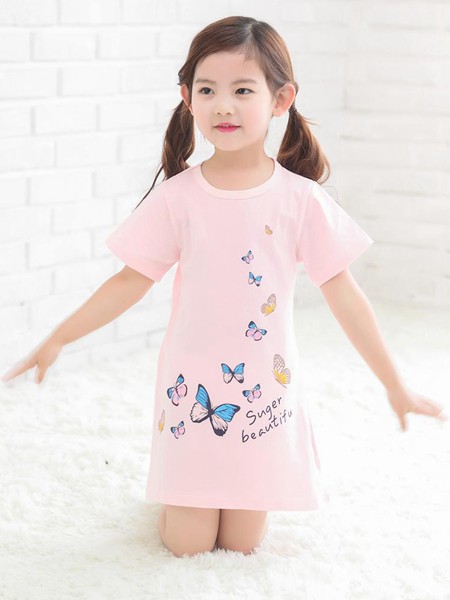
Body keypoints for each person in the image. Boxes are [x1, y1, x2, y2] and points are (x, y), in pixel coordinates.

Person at [1, 16, 447, 559]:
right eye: (208, 90)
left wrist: (395, 384)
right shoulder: (179, 197)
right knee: (188, 545)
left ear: (281, 99)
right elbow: (130, 280)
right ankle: (175, 500)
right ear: (187, 97)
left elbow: (346, 296)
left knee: (241, 544)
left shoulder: (300, 200)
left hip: (261, 393)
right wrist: (59, 337)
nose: (223, 106)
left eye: (242, 90)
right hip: (193, 389)